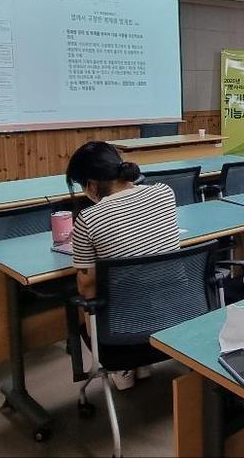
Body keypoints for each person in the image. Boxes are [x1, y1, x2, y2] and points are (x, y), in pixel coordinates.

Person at [65, 141, 181, 388]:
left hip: (121, 334)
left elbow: (87, 285)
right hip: (175, 316)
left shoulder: (88, 218)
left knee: (83, 299)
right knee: (144, 277)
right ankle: (137, 367)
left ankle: (125, 368)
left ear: (92, 184)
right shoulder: (164, 192)